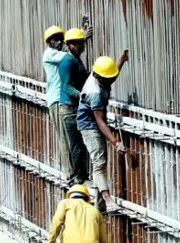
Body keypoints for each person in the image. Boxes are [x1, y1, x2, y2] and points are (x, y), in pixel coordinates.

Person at [77, 51, 130, 211]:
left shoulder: (101, 76)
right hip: (89, 125)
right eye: (108, 78)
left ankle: (98, 204)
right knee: (99, 162)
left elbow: (112, 74)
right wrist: (116, 142)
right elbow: (99, 121)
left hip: (96, 123)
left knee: (100, 162)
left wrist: (121, 60)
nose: (111, 80)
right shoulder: (95, 92)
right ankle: (108, 200)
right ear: (100, 77)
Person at [41, 25, 79, 184]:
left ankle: (73, 172)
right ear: (48, 42)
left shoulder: (58, 53)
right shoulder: (51, 54)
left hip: (59, 99)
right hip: (56, 100)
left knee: (69, 137)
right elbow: (69, 57)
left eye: (60, 39)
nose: (59, 42)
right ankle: (69, 174)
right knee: (64, 137)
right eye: (55, 39)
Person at [60, 27, 92, 183]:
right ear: (68, 45)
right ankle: (78, 177)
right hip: (70, 109)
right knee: (76, 144)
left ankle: (82, 174)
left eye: (81, 43)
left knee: (81, 143)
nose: (78, 46)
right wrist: (81, 95)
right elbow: (66, 86)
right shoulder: (67, 61)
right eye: (75, 43)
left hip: (77, 108)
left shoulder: (76, 59)